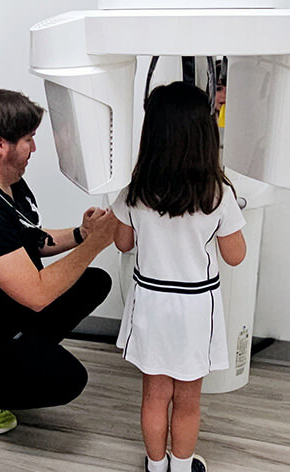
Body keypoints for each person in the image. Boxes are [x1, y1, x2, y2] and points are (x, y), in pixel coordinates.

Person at [0, 89, 116, 435]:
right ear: (0, 144)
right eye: (29, 139)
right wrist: (97, 244)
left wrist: (82, 233)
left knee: (94, 282)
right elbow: (37, 294)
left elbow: (29, 238)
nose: (34, 148)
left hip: (7, 308)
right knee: (68, 379)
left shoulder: (8, 184)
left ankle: (26, 356)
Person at [111, 82, 247, 472]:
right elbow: (235, 256)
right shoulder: (217, 193)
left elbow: (123, 243)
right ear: (205, 135)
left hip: (150, 303)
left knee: (154, 395)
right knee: (188, 400)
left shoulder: (135, 189)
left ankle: (156, 467)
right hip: (195, 308)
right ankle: (183, 467)